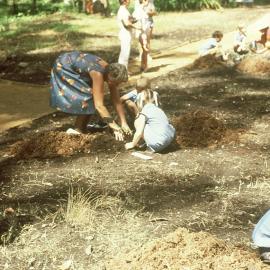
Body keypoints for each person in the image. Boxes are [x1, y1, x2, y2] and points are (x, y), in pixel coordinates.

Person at [49, 51, 132, 140]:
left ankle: (82, 128)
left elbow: (116, 100)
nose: (117, 86)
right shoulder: (98, 73)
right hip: (64, 66)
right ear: (110, 76)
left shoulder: (111, 70)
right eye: (116, 83)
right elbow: (99, 106)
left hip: (75, 65)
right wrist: (113, 125)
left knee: (92, 96)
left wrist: (124, 122)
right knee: (89, 97)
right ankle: (78, 130)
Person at [133, 0, 156, 71]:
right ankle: (145, 66)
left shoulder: (140, 10)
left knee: (144, 49)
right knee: (145, 49)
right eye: (145, 1)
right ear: (143, 2)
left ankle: (143, 65)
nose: (147, 2)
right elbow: (137, 20)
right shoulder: (139, 10)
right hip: (142, 32)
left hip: (143, 31)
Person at [117, 0, 138, 70]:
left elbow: (129, 20)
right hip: (125, 33)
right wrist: (137, 27)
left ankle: (122, 71)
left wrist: (135, 19)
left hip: (126, 33)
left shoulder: (125, 10)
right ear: (124, 1)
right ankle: (122, 72)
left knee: (125, 53)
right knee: (125, 54)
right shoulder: (122, 10)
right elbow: (126, 24)